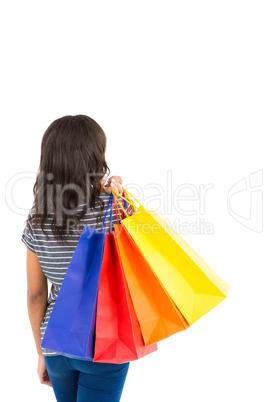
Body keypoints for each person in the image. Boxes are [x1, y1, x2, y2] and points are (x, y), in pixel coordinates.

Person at [21, 115, 132, 401]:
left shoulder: (36, 221)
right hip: (103, 342)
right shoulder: (114, 211)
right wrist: (120, 198)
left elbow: (36, 295)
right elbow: (141, 262)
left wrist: (40, 352)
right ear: (95, 157)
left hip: (55, 344)